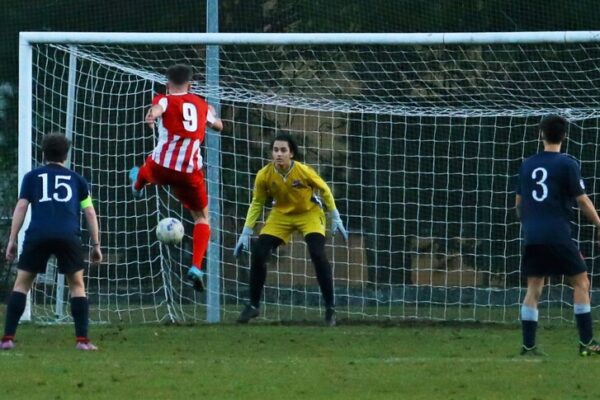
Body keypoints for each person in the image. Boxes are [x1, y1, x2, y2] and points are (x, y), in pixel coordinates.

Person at [233, 133, 348, 326]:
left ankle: (330, 308)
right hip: (281, 215)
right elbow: (258, 202)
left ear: (291, 153)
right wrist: (246, 231)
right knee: (259, 252)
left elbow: (325, 190)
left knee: (317, 254)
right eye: (275, 150)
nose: (279, 154)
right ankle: (253, 305)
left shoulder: (304, 171)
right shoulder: (264, 175)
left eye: (283, 150)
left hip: (309, 213)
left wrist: (335, 216)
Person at [2, 133, 103, 351]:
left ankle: (7, 338)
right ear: (66, 156)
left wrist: (12, 239)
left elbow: (21, 207)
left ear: (43, 153)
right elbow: (90, 212)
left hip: (38, 234)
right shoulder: (77, 180)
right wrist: (96, 245)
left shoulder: (32, 177)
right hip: (68, 235)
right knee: (77, 285)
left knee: (22, 284)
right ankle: (82, 341)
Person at [129, 64, 223, 292]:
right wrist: (211, 114)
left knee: (146, 167)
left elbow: (158, 108)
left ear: (167, 84)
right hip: (189, 172)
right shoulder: (201, 104)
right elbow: (219, 126)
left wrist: (152, 114)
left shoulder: (164, 99)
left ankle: (139, 183)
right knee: (202, 218)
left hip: (162, 167)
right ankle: (196, 267)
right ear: (190, 85)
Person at [516, 114, 600, 356]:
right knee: (581, 282)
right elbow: (582, 201)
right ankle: (586, 344)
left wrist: (531, 223)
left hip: (532, 234)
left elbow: (518, 203)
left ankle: (529, 346)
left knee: (533, 288)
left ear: (540, 134)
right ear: (564, 136)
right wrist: (598, 224)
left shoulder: (527, 164)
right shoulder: (567, 164)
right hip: (558, 234)